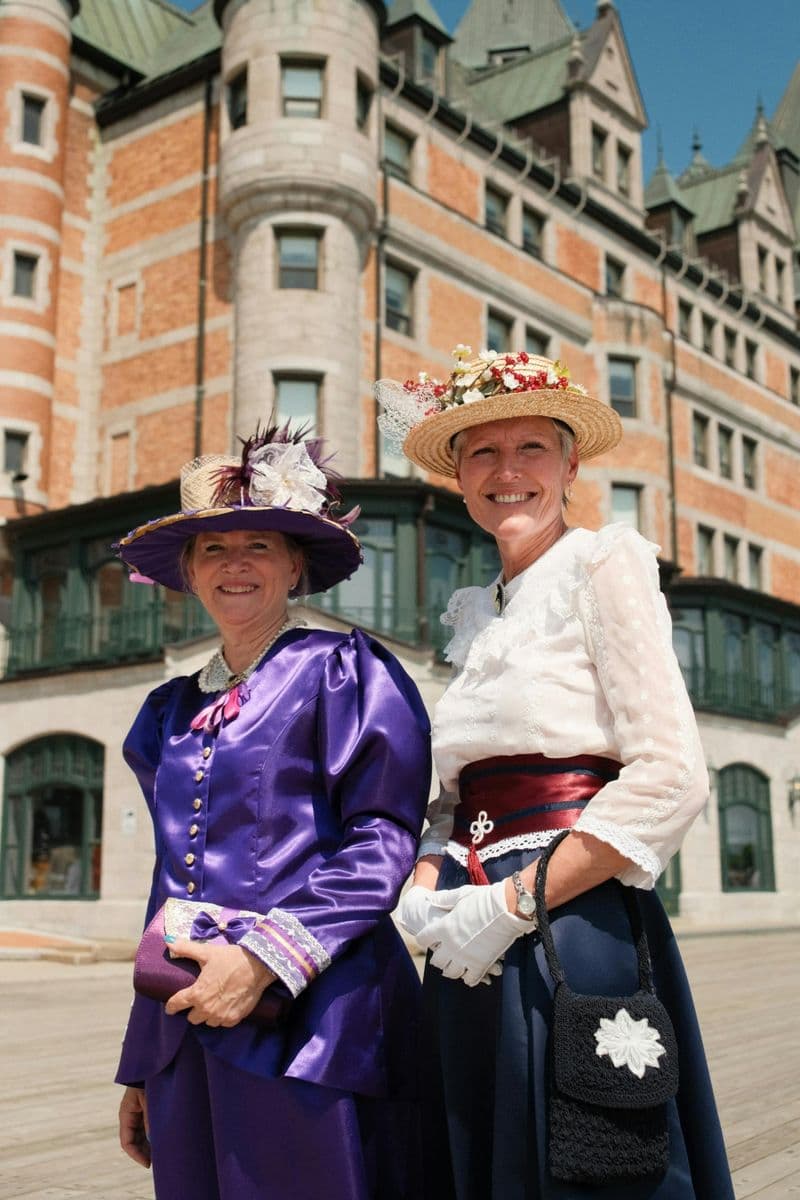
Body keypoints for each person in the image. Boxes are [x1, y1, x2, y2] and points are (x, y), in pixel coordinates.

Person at [377, 349, 735, 1200]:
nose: (507, 472)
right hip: (466, 933)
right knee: (478, 1151)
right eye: (481, 454)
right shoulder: (477, 612)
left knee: (590, 1160)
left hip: (572, 919)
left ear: (571, 463)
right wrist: (427, 885)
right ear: (459, 477)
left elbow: (672, 775)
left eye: (531, 448)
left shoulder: (604, 563)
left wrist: (512, 904)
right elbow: (453, 796)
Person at [114, 424, 432, 1200]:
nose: (236, 565)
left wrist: (261, 962)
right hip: (190, 1019)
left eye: (258, 544)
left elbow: (382, 843)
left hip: (316, 1017)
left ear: (295, 564)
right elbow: (170, 890)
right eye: (214, 550)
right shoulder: (167, 711)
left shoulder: (347, 673)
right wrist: (142, 1061)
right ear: (188, 573)